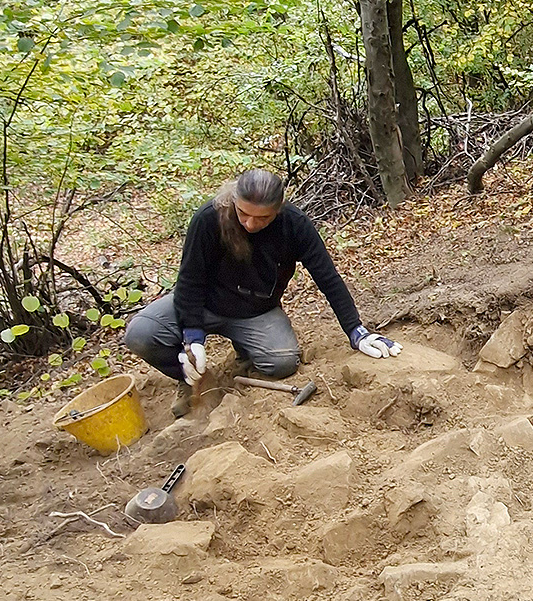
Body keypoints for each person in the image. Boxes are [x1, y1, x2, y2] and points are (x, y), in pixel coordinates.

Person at [123, 168, 399, 416]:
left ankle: (244, 356)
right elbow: (189, 281)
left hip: (255, 311)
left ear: (278, 210)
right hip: (204, 303)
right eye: (243, 214)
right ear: (233, 201)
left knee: (282, 363)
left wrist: (355, 330)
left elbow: (327, 277)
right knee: (141, 335)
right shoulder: (208, 219)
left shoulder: (294, 224)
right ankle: (193, 379)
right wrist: (192, 334)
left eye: (262, 218)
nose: (251, 224)